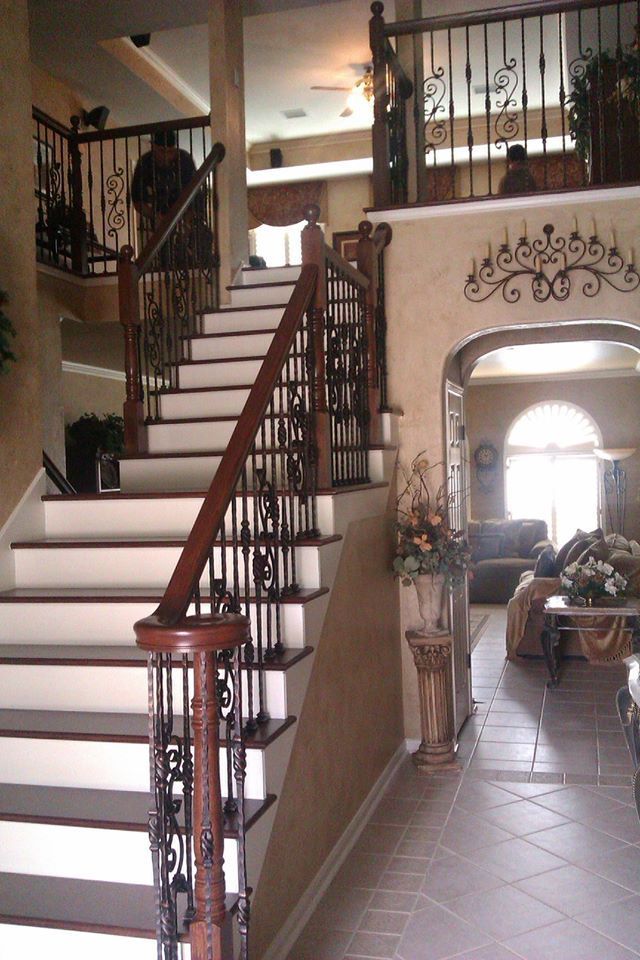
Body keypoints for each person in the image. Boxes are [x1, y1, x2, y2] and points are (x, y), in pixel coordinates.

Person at [131, 129, 197, 233]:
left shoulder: (184, 159)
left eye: (170, 152)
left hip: (185, 212)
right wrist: (155, 216)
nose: (166, 156)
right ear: (153, 146)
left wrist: (187, 219)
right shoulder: (145, 162)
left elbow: (195, 192)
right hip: (159, 214)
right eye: (161, 151)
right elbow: (137, 198)